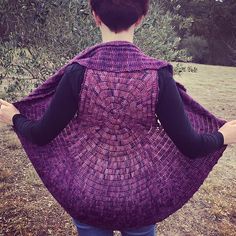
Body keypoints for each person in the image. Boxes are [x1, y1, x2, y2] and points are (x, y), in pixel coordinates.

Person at [0, 0, 236, 235]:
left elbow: (41, 135)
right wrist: (222, 135)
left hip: (87, 196)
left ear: (95, 16)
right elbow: (191, 146)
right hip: (140, 199)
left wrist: (15, 118)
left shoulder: (77, 73)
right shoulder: (158, 76)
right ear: (141, 19)